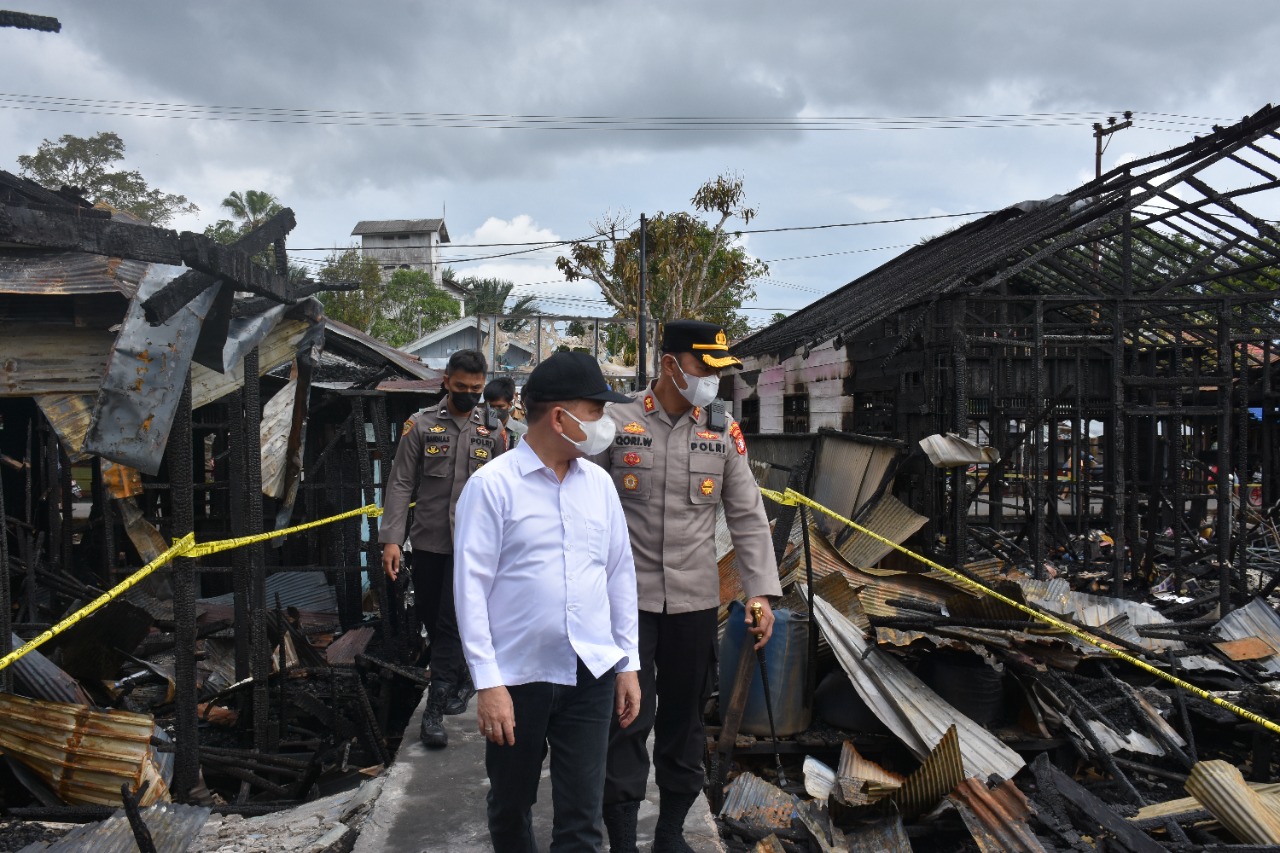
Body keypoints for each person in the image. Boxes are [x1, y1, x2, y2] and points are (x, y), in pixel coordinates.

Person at [597, 320, 783, 853]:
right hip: (625, 605)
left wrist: (760, 593)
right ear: (670, 364)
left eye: (719, 371)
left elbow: (747, 516)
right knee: (627, 720)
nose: (713, 381)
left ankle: (670, 831)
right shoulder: (617, 421)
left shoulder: (721, 430)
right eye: (705, 368)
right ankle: (622, 838)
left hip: (693, 603)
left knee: (684, 723)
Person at [454, 351, 642, 853]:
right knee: (512, 805)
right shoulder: (491, 488)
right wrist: (487, 682)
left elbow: (619, 573)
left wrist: (627, 664)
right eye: (597, 412)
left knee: (582, 817)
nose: (605, 424)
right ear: (561, 417)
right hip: (518, 679)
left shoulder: (599, 486)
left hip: (590, 675)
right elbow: (470, 588)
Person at [380, 349, 504, 748]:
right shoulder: (421, 424)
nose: (469, 394)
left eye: (477, 389)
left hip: (475, 546)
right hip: (431, 540)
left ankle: (433, 713)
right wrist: (392, 539)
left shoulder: (495, 430)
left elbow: (507, 489)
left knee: (450, 625)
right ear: (446, 380)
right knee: (433, 619)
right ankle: (463, 677)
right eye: (462, 387)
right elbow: (400, 483)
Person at [484, 376, 527, 449]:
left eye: (500, 406)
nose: (495, 411)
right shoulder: (478, 427)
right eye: (491, 406)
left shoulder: (523, 432)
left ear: (509, 405)